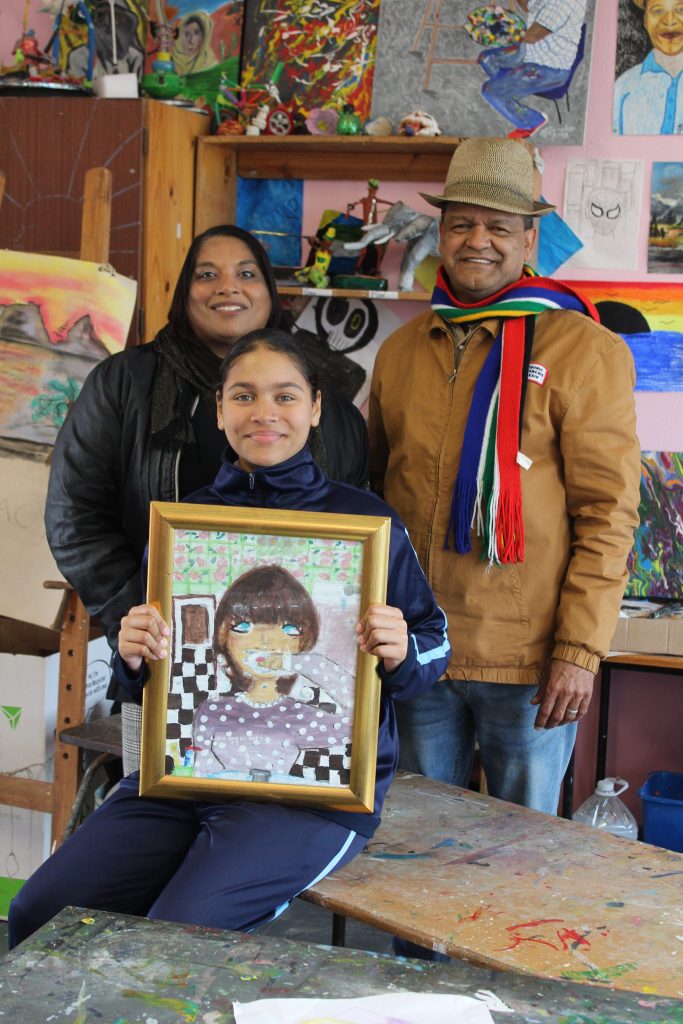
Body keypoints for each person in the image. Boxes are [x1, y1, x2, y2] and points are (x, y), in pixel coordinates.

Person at [9, 329, 450, 948]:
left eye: (285, 396)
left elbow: (435, 639)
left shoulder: (366, 525)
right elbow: (144, 680)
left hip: (310, 798)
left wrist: (404, 652)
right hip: (178, 778)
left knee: (176, 935)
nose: (263, 413)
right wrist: (134, 653)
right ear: (219, 411)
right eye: (243, 396)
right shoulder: (184, 528)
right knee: (38, 913)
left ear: (317, 407)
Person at [369, 137, 641, 821]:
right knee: (417, 853)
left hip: (527, 665)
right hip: (418, 655)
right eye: (461, 223)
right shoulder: (403, 351)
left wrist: (579, 652)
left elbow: (607, 514)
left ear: (528, 238)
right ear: (442, 232)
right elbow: (373, 497)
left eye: (497, 226)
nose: (476, 240)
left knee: (518, 864)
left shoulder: (584, 351)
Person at [44, 225, 369, 716]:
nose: (227, 286)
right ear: (184, 292)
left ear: (270, 291)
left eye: (246, 273)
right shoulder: (125, 384)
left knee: (281, 775)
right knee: (160, 781)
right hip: (162, 652)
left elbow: (350, 538)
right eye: (207, 274)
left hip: (291, 665)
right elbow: (75, 516)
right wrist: (146, 616)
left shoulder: (332, 405)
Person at [191, 564, 343, 780]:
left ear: (304, 641)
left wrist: (301, 662)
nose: (265, 640)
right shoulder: (211, 711)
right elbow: (201, 776)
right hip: (223, 804)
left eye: (289, 628)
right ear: (223, 638)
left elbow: (357, 720)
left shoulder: (299, 716)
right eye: (243, 626)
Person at [478, 0, 589, 138]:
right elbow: (528, 7)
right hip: (530, 53)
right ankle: (510, 92)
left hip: (549, 68)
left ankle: (532, 121)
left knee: (490, 91)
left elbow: (531, 36)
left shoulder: (566, 3)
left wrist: (498, 26)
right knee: (486, 59)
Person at [613, 0, 683, 135]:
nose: (669, 21)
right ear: (645, 21)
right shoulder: (624, 87)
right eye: (658, 11)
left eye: (680, 10)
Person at [172, 11, 217, 75]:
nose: (191, 41)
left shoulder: (210, 64)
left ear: (205, 38)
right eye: (187, 34)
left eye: (196, 34)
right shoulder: (172, 63)